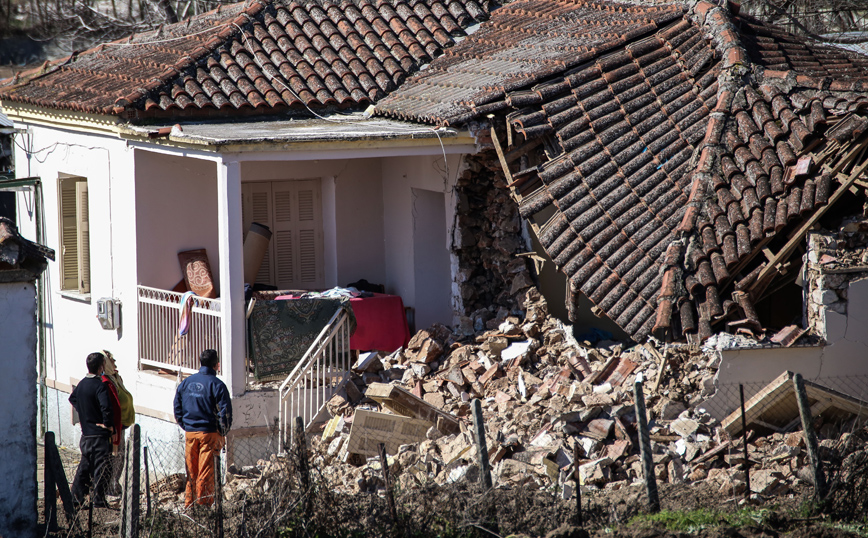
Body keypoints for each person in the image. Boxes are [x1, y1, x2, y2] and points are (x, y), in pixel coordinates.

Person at [173, 349, 232, 508]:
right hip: (209, 434)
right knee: (205, 473)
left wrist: (186, 425)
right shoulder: (217, 385)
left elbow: (177, 407)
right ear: (216, 365)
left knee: (191, 472)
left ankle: (189, 505)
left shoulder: (186, 383)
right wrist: (222, 431)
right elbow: (225, 413)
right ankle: (202, 507)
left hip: (190, 434)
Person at [69, 352, 114, 509]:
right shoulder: (100, 385)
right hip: (99, 435)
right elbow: (106, 408)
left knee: (85, 466)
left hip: (86, 434)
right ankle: (99, 500)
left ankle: (76, 498)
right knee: (102, 468)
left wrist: (84, 412)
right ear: (101, 366)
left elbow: (73, 398)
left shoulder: (82, 384)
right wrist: (107, 424)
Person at [101, 350, 135, 495]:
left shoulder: (115, 377)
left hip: (122, 424)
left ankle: (115, 483)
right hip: (114, 426)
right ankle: (110, 485)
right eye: (112, 361)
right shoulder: (104, 380)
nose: (115, 363)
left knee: (120, 455)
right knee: (115, 455)